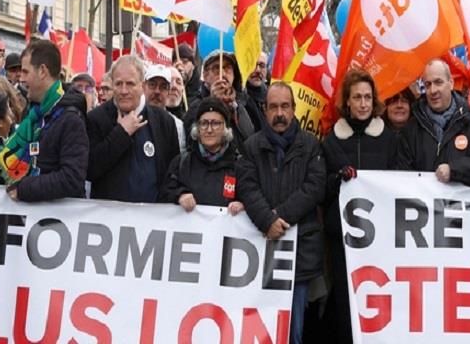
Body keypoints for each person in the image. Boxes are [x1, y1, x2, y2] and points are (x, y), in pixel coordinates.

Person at [237, 82, 325, 344]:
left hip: (299, 255)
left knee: (293, 329)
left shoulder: (311, 146)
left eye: (285, 106)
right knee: (259, 329)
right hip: (258, 254)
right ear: (264, 111)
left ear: (294, 109)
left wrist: (279, 216)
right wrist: (266, 220)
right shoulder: (252, 147)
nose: (279, 113)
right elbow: (247, 186)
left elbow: (315, 188)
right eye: (273, 107)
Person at [322, 70, 396, 344]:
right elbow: (322, 191)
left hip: (381, 239)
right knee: (346, 298)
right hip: (343, 239)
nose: (363, 103)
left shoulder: (389, 140)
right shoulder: (331, 142)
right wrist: (337, 179)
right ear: (347, 102)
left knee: (378, 296)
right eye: (357, 98)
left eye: (367, 97)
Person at [0, 39, 89, 202]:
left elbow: (72, 178)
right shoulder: (33, 114)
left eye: (25, 72)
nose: (21, 79)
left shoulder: (71, 119)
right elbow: (26, 156)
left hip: (57, 222)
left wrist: (24, 189)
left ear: (42, 71)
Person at [87, 55, 179, 202]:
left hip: (153, 219)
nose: (124, 91)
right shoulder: (96, 119)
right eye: (118, 84)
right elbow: (90, 170)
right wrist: (121, 134)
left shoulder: (164, 121)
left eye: (130, 84)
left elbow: (174, 173)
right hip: (110, 219)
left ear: (142, 86)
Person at [397, 59, 470, 184]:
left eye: (438, 82)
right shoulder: (411, 130)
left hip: (461, 204)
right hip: (424, 203)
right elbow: (402, 179)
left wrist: (454, 170)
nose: (433, 90)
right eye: (428, 84)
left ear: (451, 83)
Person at [160, 97, 243, 214]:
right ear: (197, 128)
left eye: (215, 123)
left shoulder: (239, 165)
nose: (209, 130)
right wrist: (179, 195)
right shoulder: (182, 163)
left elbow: (252, 196)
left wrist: (242, 204)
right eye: (204, 123)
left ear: (225, 128)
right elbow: (163, 195)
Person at [183, 51, 257, 151]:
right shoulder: (195, 106)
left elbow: (253, 136)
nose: (223, 73)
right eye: (216, 68)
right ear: (205, 76)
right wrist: (212, 103)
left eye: (227, 68)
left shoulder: (245, 102)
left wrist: (237, 109)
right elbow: (192, 142)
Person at [143, 64, 185, 154]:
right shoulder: (133, 118)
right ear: (143, 87)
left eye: (163, 87)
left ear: (168, 91)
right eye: (152, 85)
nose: (157, 91)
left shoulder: (177, 126)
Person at [174, 43, 201, 109]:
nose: (180, 66)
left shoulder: (201, 90)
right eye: (175, 62)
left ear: (193, 65)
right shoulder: (169, 90)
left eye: (184, 62)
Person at [245, 51, 269, 116]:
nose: (258, 70)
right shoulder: (238, 98)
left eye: (262, 66)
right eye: (253, 65)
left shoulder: (271, 96)